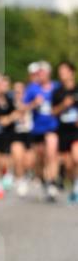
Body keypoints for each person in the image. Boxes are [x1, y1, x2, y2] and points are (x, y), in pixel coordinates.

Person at [24, 60, 60, 201]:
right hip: (37, 129)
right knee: (40, 158)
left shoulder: (56, 87)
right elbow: (23, 107)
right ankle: (44, 179)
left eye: (43, 72)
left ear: (49, 73)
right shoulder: (32, 88)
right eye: (38, 73)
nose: (40, 75)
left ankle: (52, 183)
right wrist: (34, 103)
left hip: (52, 127)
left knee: (52, 154)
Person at [52, 60, 78, 203]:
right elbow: (53, 112)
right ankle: (73, 184)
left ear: (71, 72)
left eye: (64, 71)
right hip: (63, 131)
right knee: (68, 164)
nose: (61, 74)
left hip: (76, 131)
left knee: (76, 157)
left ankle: (76, 187)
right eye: (60, 71)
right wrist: (64, 104)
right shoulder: (57, 92)